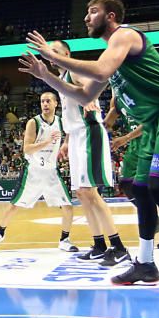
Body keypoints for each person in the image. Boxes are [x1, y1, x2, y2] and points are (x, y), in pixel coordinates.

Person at [20, 0, 159, 303]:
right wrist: (46, 76)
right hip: (153, 123)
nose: (86, 17)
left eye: (92, 11)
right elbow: (84, 96)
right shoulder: (110, 55)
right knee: (138, 188)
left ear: (110, 16)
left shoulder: (125, 36)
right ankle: (146, 264)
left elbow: (98, 72)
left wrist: (53, 58)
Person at [44, 41, 130, 267]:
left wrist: (91, 99)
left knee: (90, 193)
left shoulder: (73, 71)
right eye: (49, 52)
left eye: (56, 50)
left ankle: (119, 247)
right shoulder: (61, 79)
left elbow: (92, 82)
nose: (51, 55)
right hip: (76, 136)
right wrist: (66, 140)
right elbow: (72, 114)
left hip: (90, 133)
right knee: (82, 194)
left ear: (67, 53)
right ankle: (99, 245)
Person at [0, 91, 77, 253]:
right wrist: (47, 142)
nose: (45, 104)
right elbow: (27, 148)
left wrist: (65, 144)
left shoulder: (61, 123)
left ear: (56, 103)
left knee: (68, 207)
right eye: (42, 101)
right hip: (33, 172)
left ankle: (64, 240)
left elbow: (70, 132)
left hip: (51, 172)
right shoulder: (33, 122)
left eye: (48, 101)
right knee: (14, 206)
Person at [104, 97, 159, 249]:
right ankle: (155, 221)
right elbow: (106, 123)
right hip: (136, 144)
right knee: (126, 183)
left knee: (158, 190)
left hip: (153, 140)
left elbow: (150, 122)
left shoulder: (139, 90)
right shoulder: (116, 100)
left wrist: (127, 137)